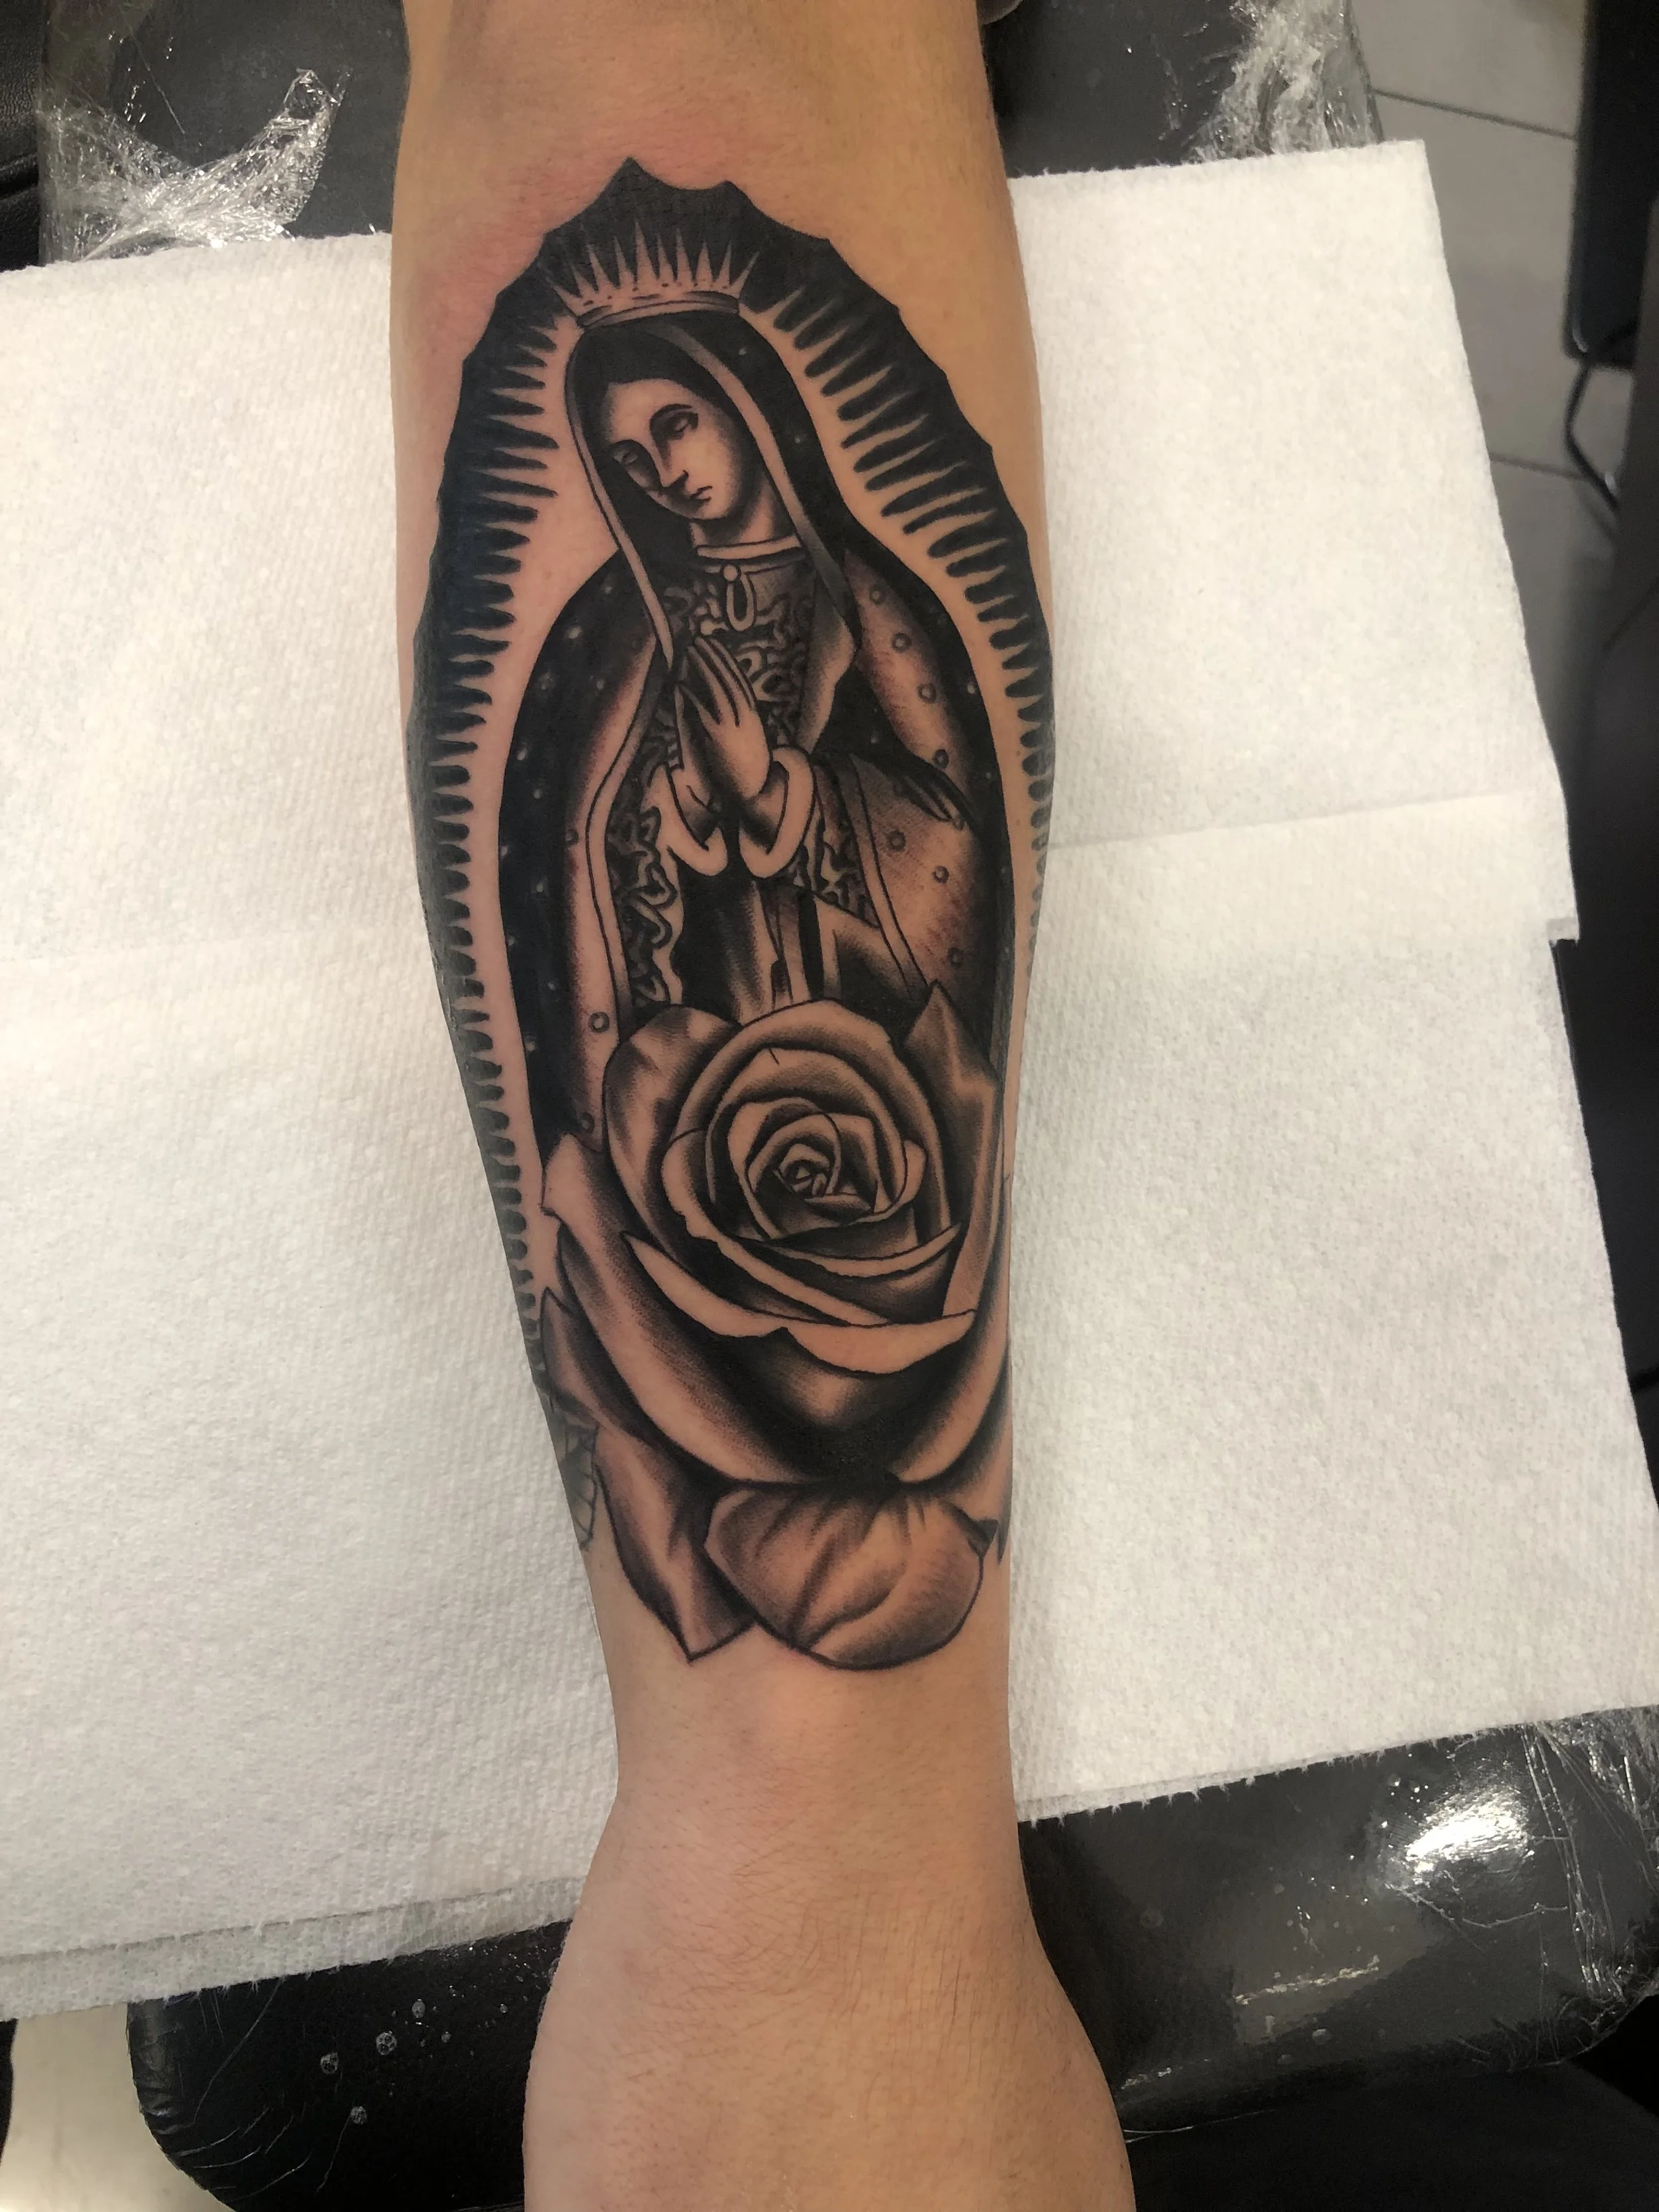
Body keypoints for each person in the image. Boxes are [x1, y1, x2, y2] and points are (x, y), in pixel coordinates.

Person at [394, 2, 1132, 2204]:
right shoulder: (634, 641)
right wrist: (682, 835)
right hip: (713, 1052)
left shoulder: (850, 602)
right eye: (628, 453)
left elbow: (932, 827)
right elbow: (602, 880)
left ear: (750, 415)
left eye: (684, 427)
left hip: (854, 1022)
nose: (668, 472)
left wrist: (820, 1873)